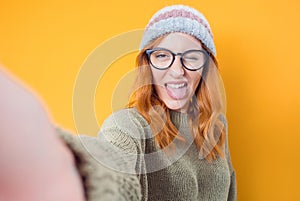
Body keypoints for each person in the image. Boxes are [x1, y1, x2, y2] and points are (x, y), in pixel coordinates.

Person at [0, 4, 236, 201]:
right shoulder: (128, 125)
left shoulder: (216, 125)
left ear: (206, 66)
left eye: (191, 57)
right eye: (162, 56)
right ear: (147, 64)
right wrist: (64, 164)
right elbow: (112, 163)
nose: (176, 71)